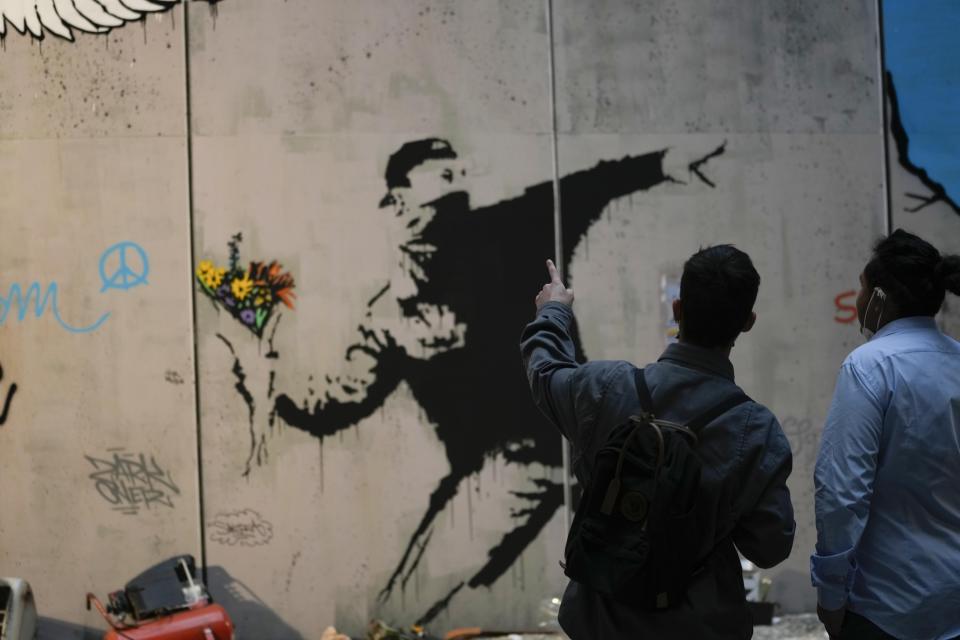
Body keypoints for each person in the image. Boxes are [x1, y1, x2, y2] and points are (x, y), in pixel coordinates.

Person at [273, 137, 728, 622]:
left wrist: (658, 163)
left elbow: (584, 188)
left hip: (538, 454)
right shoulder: (390, 310)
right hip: (538, 458)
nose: (454, 194)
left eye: (456, 187)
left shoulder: (501, 229)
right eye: (439, 184)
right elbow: (346, 400)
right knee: (402, 608)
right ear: (396, 201)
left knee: (401, 607)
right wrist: (280, 397)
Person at [521, 248, 795, 639]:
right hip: (699, 626)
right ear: (748, 322)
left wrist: (554, 311)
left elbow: (545, 373)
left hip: (601, 621)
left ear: (678, 309)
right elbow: (770, 547)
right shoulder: (756, 430)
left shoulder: (605, 387)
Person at [812, 229, 960, 640]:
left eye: (860, 288)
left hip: (887, 609)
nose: (857, 300)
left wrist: (830, 594)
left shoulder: (869, 366)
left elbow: (841, 495)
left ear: (877, 297)